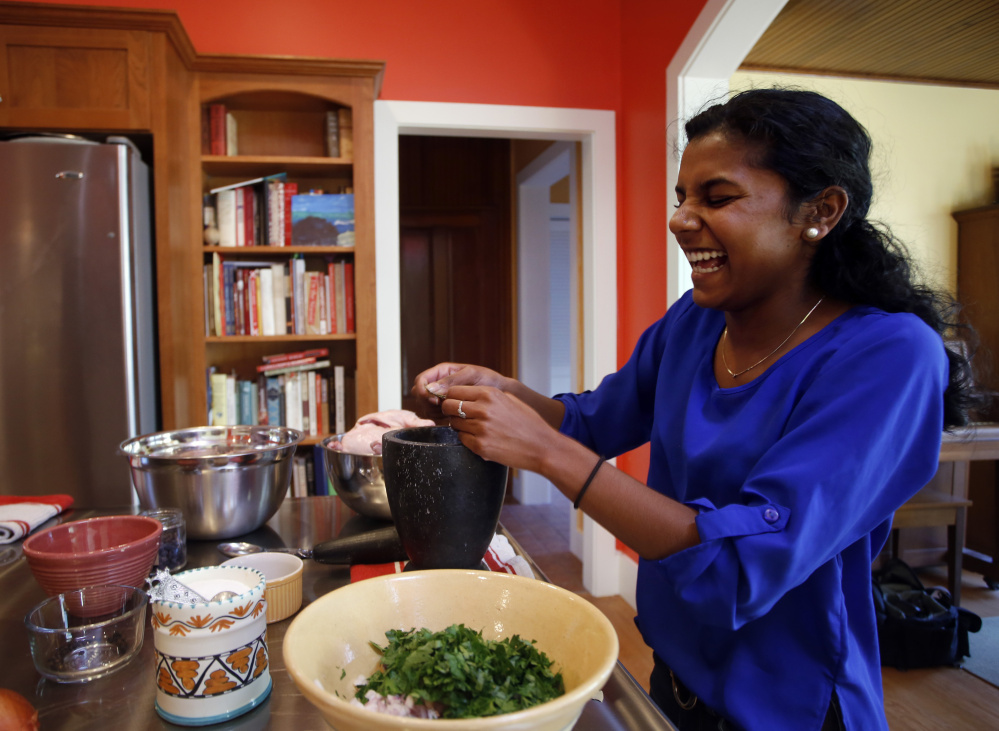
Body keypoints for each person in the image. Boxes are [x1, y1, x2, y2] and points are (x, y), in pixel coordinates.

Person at [411, 87, 981, 731]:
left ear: (819, 211)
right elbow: (594, 422)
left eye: (717, 197)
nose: (682, 219)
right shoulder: (696, 321)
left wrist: (543, 452)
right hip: (676, 678)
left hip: (790, 704)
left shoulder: (890, 355)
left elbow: (737, 566)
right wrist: (511, 394)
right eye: (681, 198)